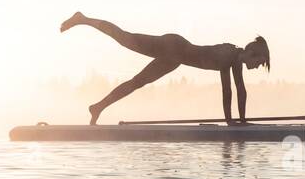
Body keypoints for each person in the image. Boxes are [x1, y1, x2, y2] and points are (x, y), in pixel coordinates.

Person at [60, 12, 270, 125]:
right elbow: (228, 92)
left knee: (136, 83)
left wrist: (241, 121)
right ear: (251, 52)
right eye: (259, 62)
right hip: (173, 46)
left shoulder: (235, 60)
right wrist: (231, 123)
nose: (257, 66)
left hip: (174, 58)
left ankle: (98, 107)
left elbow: (240, 91)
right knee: (125, 38)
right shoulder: (229, 55)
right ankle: (83, 19)